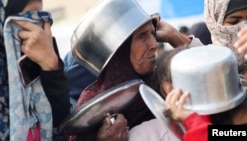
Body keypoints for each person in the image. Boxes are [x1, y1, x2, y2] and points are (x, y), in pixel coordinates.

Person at [67, 0, 203, 140]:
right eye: (142, 36)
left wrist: (175, 36)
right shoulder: (92, 108)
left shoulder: (162, 80)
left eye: (152, 33)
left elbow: (214, 79)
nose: (154, 44)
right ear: (120, 49)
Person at [0, 0, 71, 140]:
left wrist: (52, 67)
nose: (40, 33)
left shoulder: (34, 67)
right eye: (30, 18)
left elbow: (62, 127)